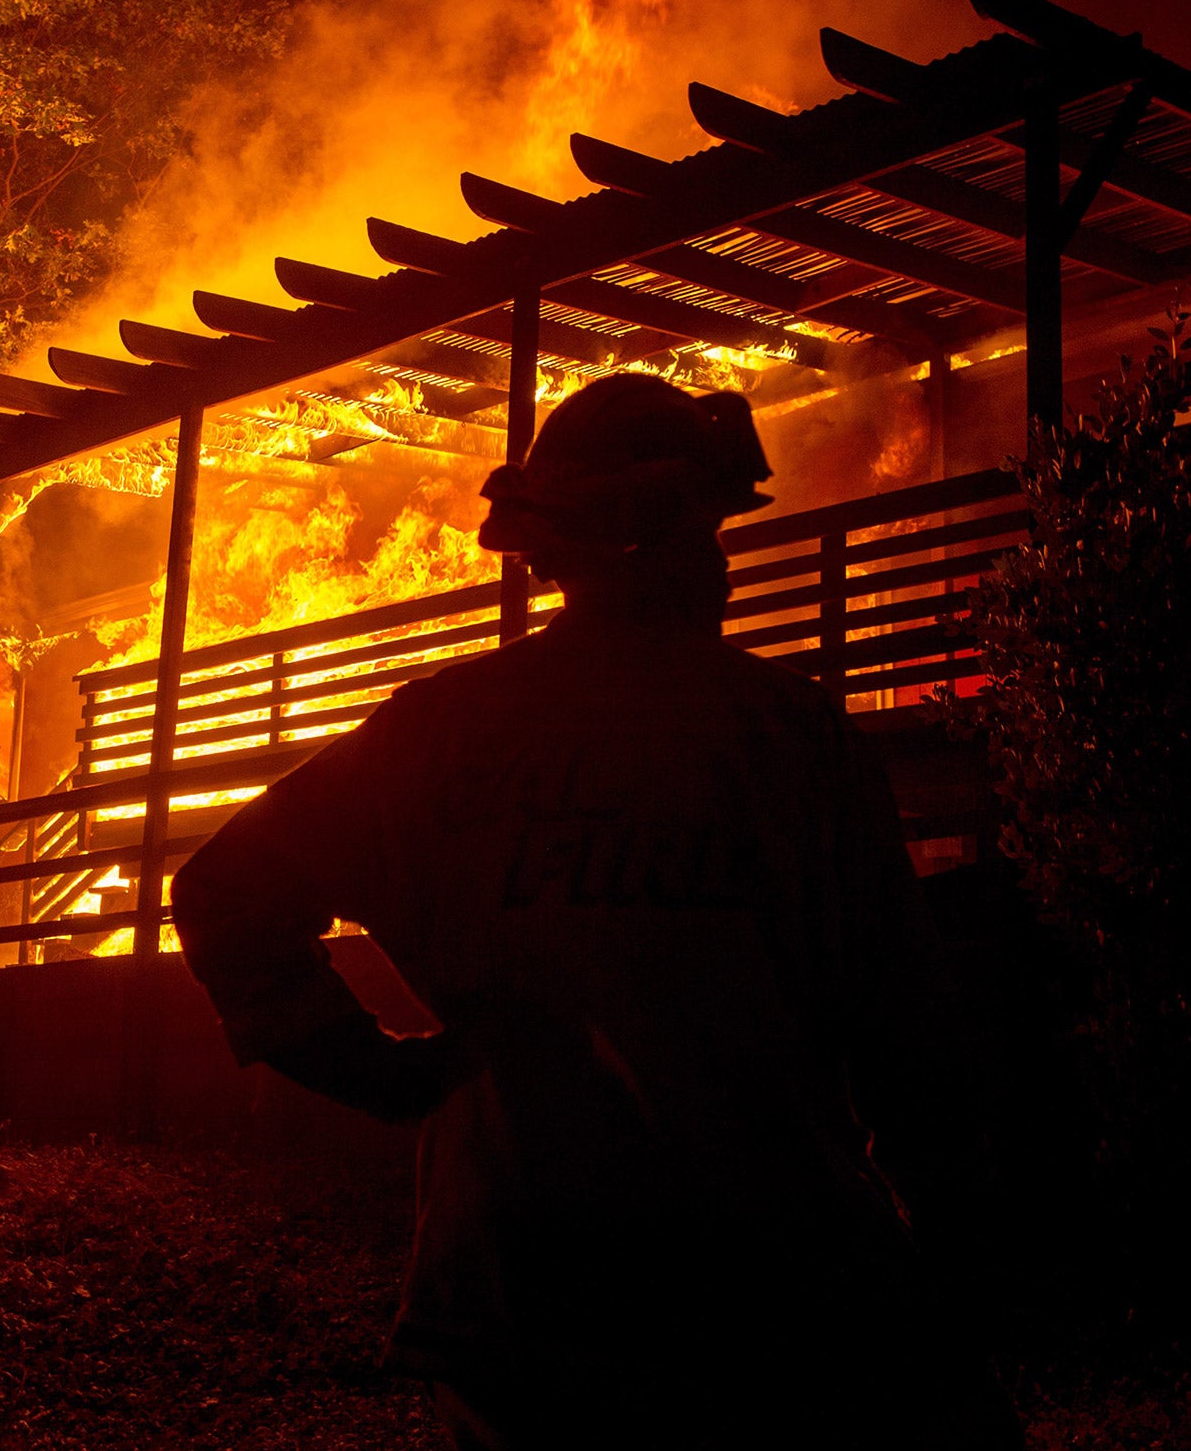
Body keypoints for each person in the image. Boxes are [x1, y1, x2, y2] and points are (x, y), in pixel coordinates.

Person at [172, 374, 1022, 1449]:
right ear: (660, 538)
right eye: (704, 529)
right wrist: (950, 1269)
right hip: (766, 1297)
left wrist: (383, 1075)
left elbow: (223, 892)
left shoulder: (437, 735)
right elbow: (910, 1049)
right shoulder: (794, 744)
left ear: (548, 547)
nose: (718, 559)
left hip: (517, 1297)